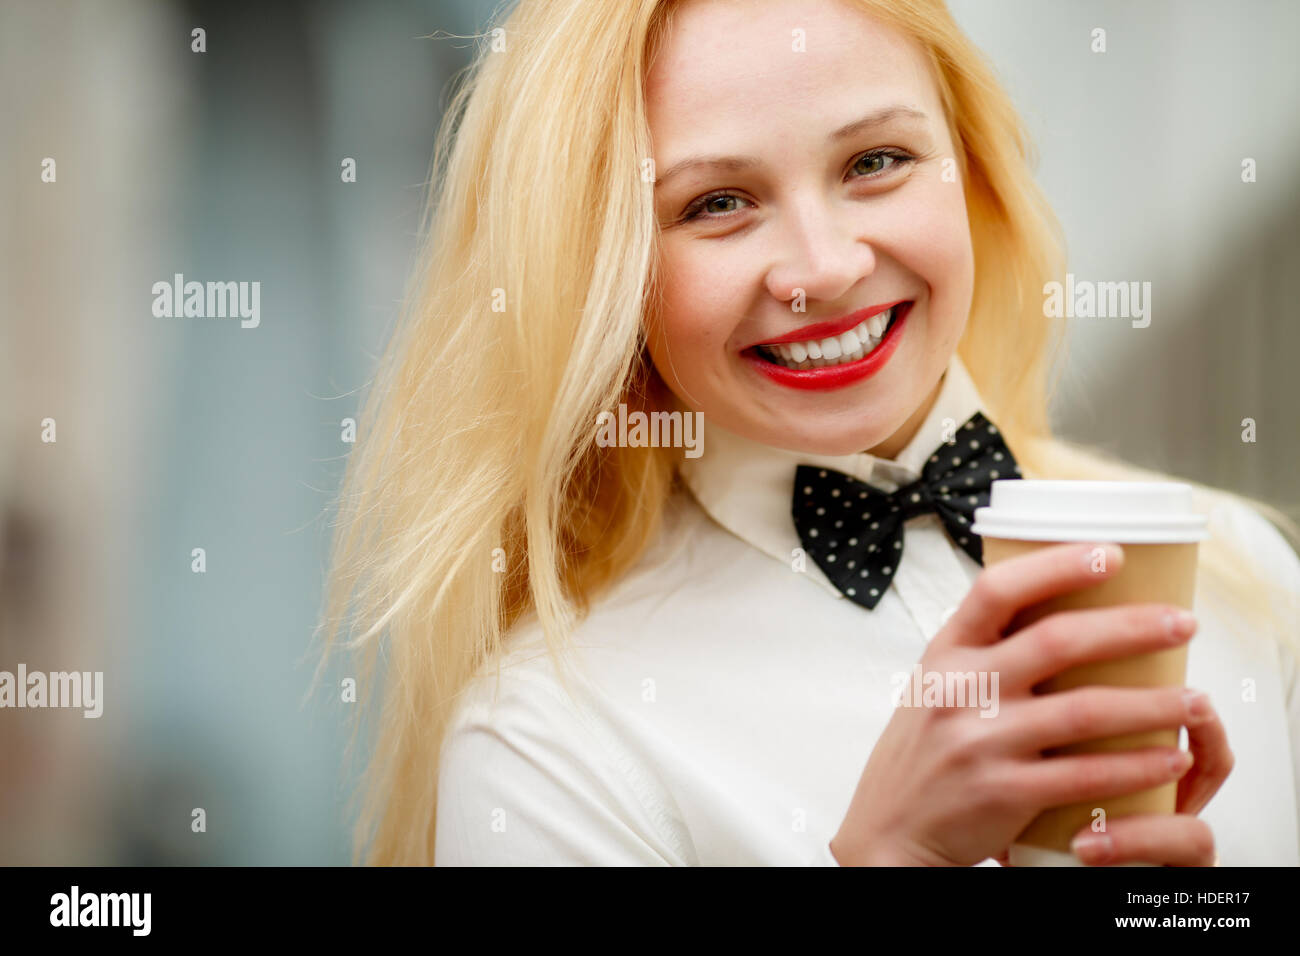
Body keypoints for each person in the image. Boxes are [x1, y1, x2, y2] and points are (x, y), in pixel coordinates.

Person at [316, 0, 1300, 866]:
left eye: (876, 161)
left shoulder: (1241, 576)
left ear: (973, 171)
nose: (823, 268)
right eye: (717, 204)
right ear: (605, 273)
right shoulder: (547, 741)